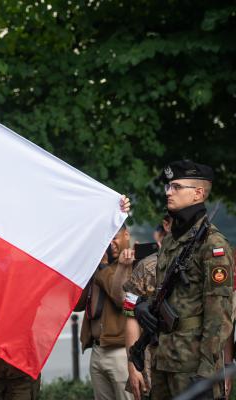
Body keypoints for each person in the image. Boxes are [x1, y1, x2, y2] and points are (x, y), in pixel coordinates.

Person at [136, 160, 234, 399]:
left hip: (192, 363)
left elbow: (219, 315)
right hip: (163, 357)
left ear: (198, 193)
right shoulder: (170, 241)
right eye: (168, 186)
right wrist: (143, 304)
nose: (168, 192)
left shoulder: (213, 245)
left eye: (176, 187)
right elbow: (164, 292)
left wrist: (206, 373)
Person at [75, 224, 134, 400]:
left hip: (121, 351)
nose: (111, 243)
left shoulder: (131, 264)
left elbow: (120, 299)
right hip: (97, 349)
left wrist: (103, 268)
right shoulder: (99, 265)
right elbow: (77, 305)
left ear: (126, 235)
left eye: (114, 237)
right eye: (107, 239)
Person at [122, 216, 172, 400]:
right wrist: (133, 366)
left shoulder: (203, 261)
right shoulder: (145, 267)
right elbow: (129, 315)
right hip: (151, 365)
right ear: (166, 225)